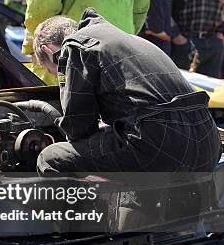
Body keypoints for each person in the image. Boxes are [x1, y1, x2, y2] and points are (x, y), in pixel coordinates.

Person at [33, 9, 221, 174]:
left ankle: (85, 215)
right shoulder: (129, 40)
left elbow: (78, 127)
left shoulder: (74, 47)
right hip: (208, 143)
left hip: (160, 145)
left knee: (51, 158)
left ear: (48, 50)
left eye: (52, 70)